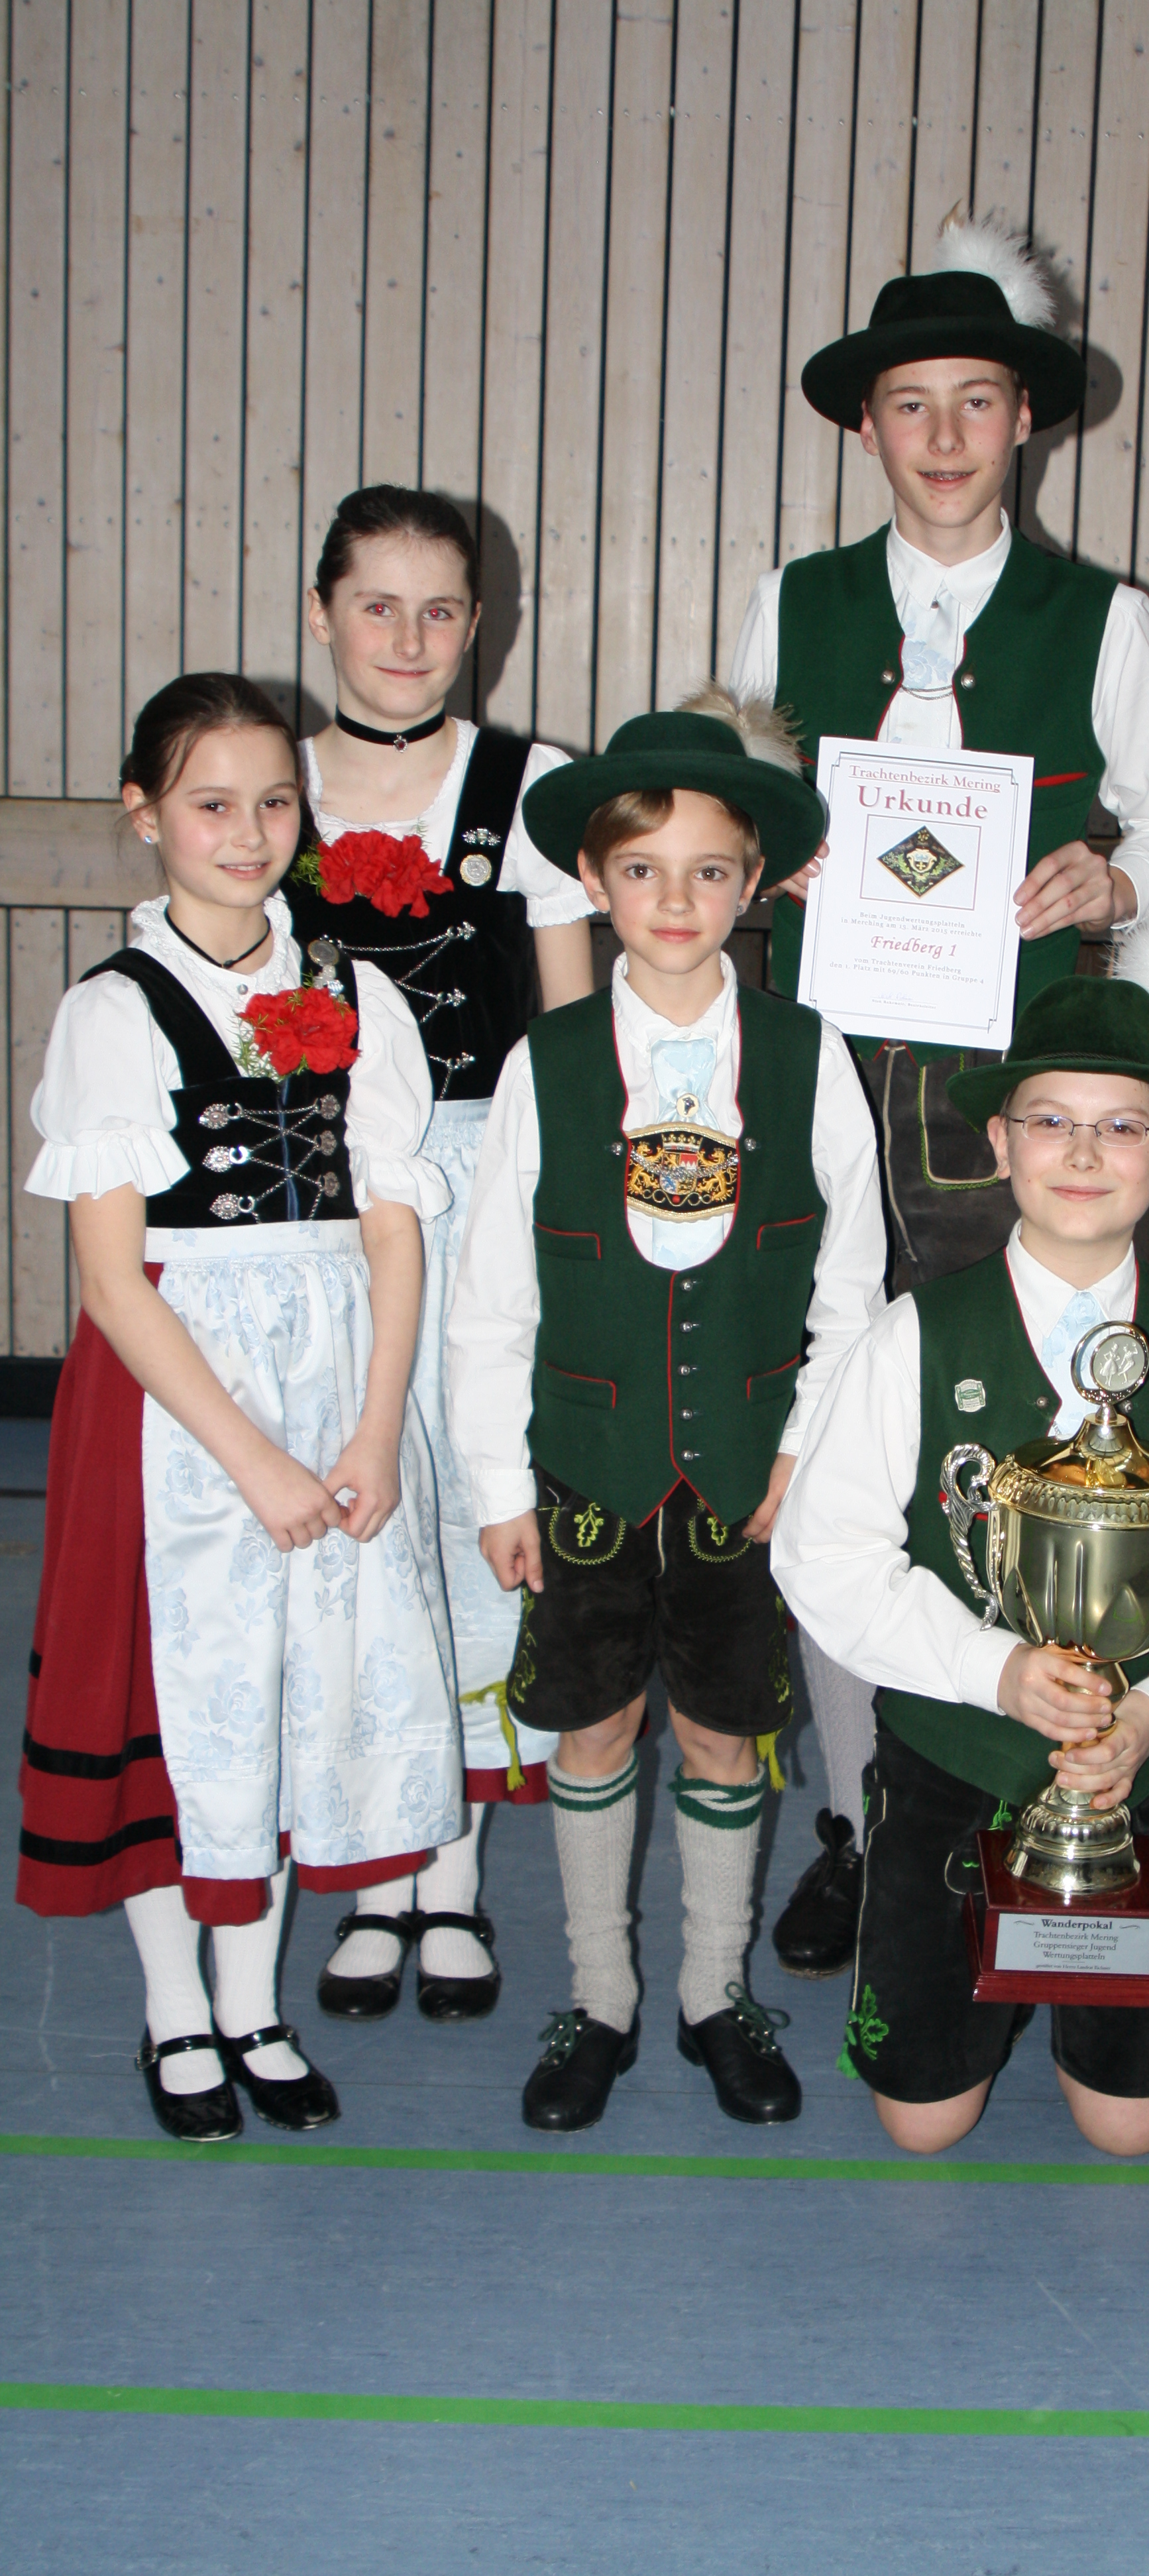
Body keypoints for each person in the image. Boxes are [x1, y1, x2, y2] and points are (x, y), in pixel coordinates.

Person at [731, 211, 1149, 1978]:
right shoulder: (795, 600)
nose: (944, 434)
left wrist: (1116, 875)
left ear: (1027, 421)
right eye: (912, 403)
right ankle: (857, 1823)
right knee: (828, 1449)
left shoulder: (1107, 616)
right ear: (868, 425)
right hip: (821, 1076)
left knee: (990, 1448)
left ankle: (1004, 1793)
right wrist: (768, 848)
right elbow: (721, 796)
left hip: (1014, 1106)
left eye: (978, 400)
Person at [771, 934, 1149, 2156]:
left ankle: (1096, 2009)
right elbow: (827, 1556)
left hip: (1144, 1776)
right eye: (1051, 1122)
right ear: (999, 1142)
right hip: (954, 1764)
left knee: (1131, 2132)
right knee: (924, 2127)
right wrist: (996, 1672)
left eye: (1123, 1127)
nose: (1084, 1154)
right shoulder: (913, 1338)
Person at [17, 673, 459, 2142]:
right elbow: (109, 1278)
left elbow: (392, 1229)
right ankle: (176, 2011)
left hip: (334, 1373)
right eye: (212, 803)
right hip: (177, 1401)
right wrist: (256, 1459)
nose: (250, 831)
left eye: (276, 801)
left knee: (286, 1694)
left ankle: (255, 2004)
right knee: (178, 1699)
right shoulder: (114, 1011)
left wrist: (374, 1428)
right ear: (146, 815)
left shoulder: (356, 991)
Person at [446, 687, 886, 2133]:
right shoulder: (548, 1063)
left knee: (721, 1734)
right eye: (643, 870)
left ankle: (711, 1991)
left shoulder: (811, 1057)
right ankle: (601, 1998)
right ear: (594, 881)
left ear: (755, 883)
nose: (677, 900)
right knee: (593, 1732)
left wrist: (803, 1456)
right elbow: (493, 1296)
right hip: (587, 1462)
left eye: (709, 871)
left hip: (744, 1478)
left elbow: (852, 1289)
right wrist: (498, 1487)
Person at [292, 484, 595, 2026]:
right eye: (376, 606)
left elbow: (572, 1031)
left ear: (481, 623)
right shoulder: (264, 785)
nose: (407, 639)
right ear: (324, 615)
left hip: (481, 1185)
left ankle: (455, 1872)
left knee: (476, 1512)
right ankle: (374, 1867)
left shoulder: (532, 788)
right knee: (354, 1517)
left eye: (440, 610)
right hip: (312, 1203)